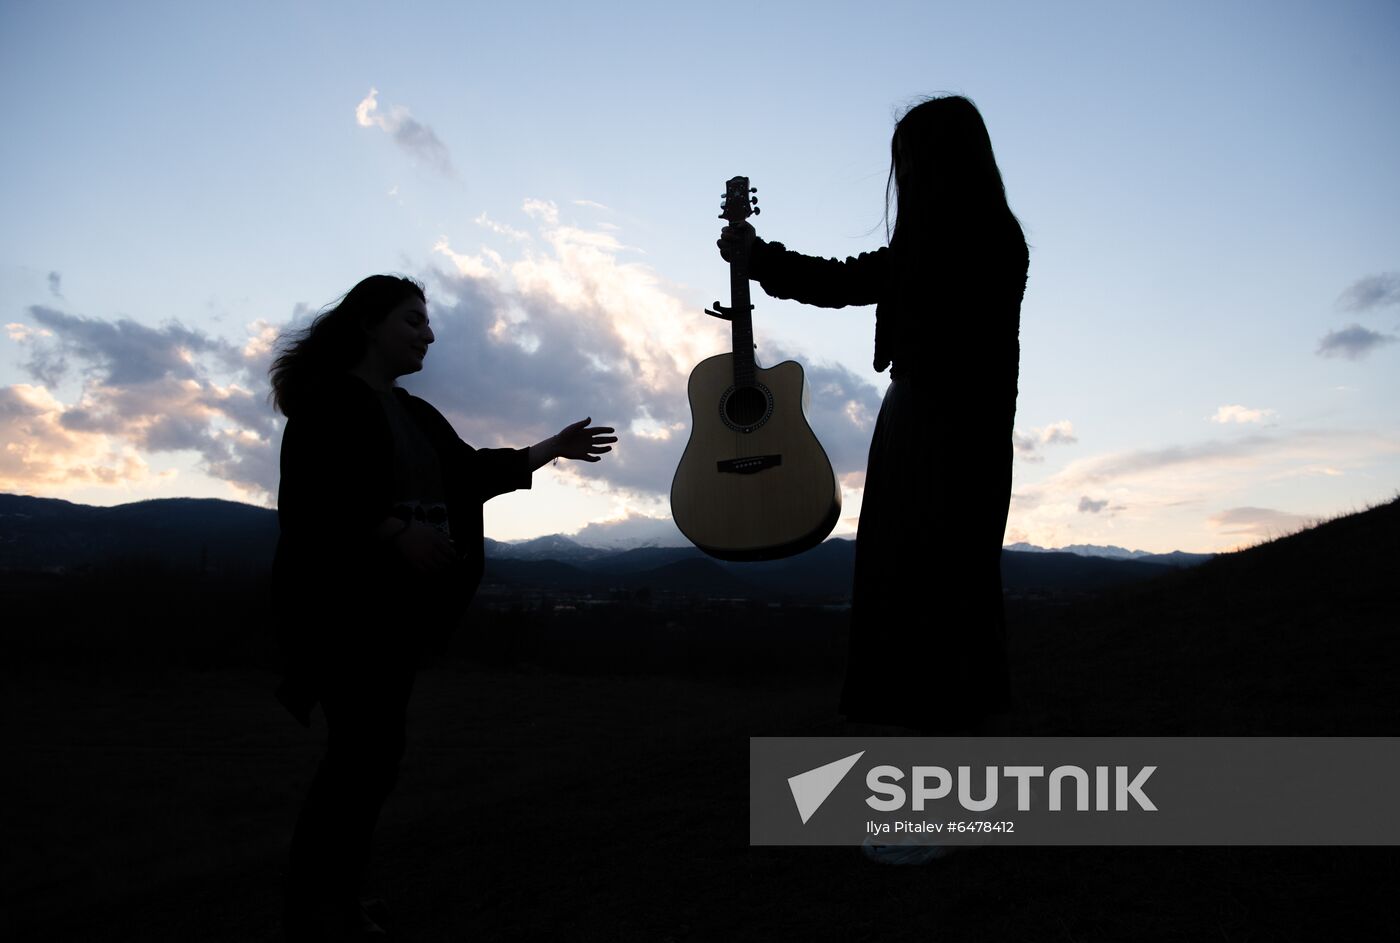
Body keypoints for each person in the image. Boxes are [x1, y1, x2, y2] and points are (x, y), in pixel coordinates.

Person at [267, 273, 615, 939]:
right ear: (369, 324)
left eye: (427, 324)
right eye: (412, 321)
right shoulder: (329, 402)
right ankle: (316, 910)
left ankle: (332, 901)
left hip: (396, 620)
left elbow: (470, 472)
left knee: (370, 759)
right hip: (344, 617)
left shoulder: (416, 415)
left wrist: (553, 449)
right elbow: (311, 499)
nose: (428, 334)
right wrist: (394, 532)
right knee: (359, 759)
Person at [719, 95, 1028, 737]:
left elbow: (854, 281)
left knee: (934, 588)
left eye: (910, 162)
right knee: (927, 586)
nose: (903, 178)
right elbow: (861, 280)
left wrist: (761, 260)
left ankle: (943, 770)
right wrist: (761, 258)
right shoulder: (972, 236)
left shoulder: (971, 239)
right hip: (929, 421)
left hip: (946, 432)